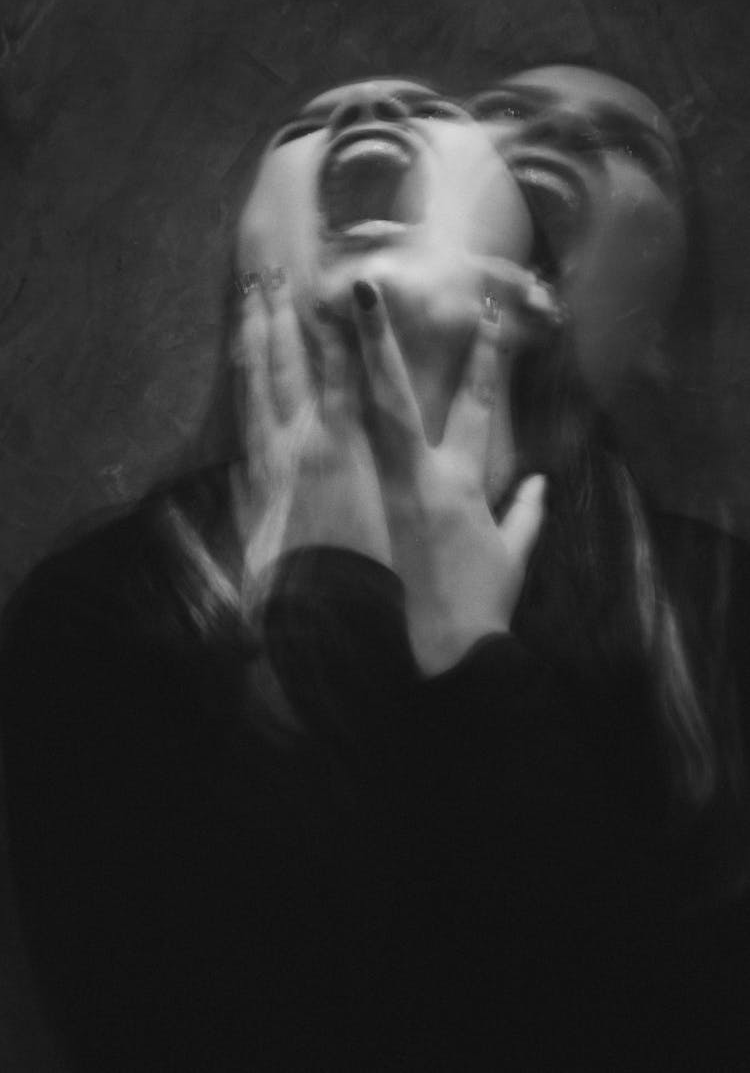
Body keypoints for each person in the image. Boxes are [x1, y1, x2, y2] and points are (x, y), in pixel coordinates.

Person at [2, 74, 749, 1071]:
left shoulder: (718, 609)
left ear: (534, 285)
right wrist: (344, 582)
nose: (369, 105)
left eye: (439, 115)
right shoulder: (101, 609)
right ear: (245, 275)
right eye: (306, 124)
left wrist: (466, 660)